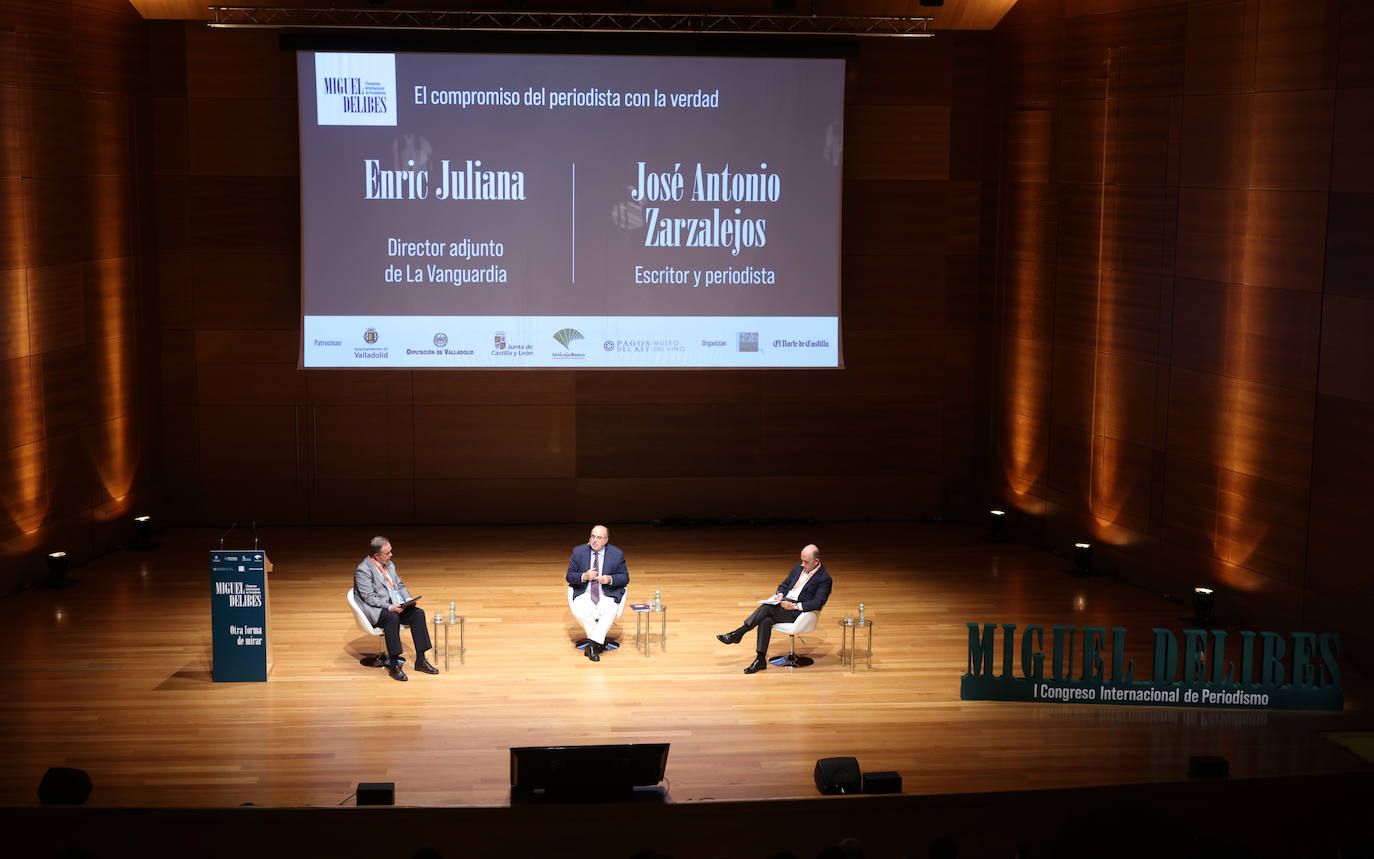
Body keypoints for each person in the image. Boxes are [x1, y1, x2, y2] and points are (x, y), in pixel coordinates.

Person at [716, 543, 832, 674]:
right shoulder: (798, 568)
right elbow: (785, 584)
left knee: (767, 608)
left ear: (817, 561)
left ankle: (739, 633)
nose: (802, 565)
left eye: (806, 562)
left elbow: (818, 602)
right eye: (802, 561)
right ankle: (760, 660)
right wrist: (780, 594)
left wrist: (794, 605)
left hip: (798, 612)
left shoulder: (824, 579)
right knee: (765, 620)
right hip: (784, 603)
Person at [353, 536, 440, 681]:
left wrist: (407, 600)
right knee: (391, 617)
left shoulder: (390, 564)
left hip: (395, 604)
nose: (391, 555)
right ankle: (393, 665)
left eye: (390, 551)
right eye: (387, 553)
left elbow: (399, 585)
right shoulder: (363, 570)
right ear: (376, 555)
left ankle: (420, 660)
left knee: (418, 614)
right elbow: (369, 598)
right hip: (377, 609)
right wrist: (389, 607)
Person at [565, 524, 629, 662]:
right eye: (592, 536)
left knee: (610, 609)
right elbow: (569, 576)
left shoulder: (616, 554)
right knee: (582, 610)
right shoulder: (579, 551)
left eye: (599, 538)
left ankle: (592, 645)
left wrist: (610, 579)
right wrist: (584, 576)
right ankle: (597, 643)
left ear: (606, 540)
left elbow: (625, 578)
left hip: (606, 593)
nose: (595, 540)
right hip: (585, 592)